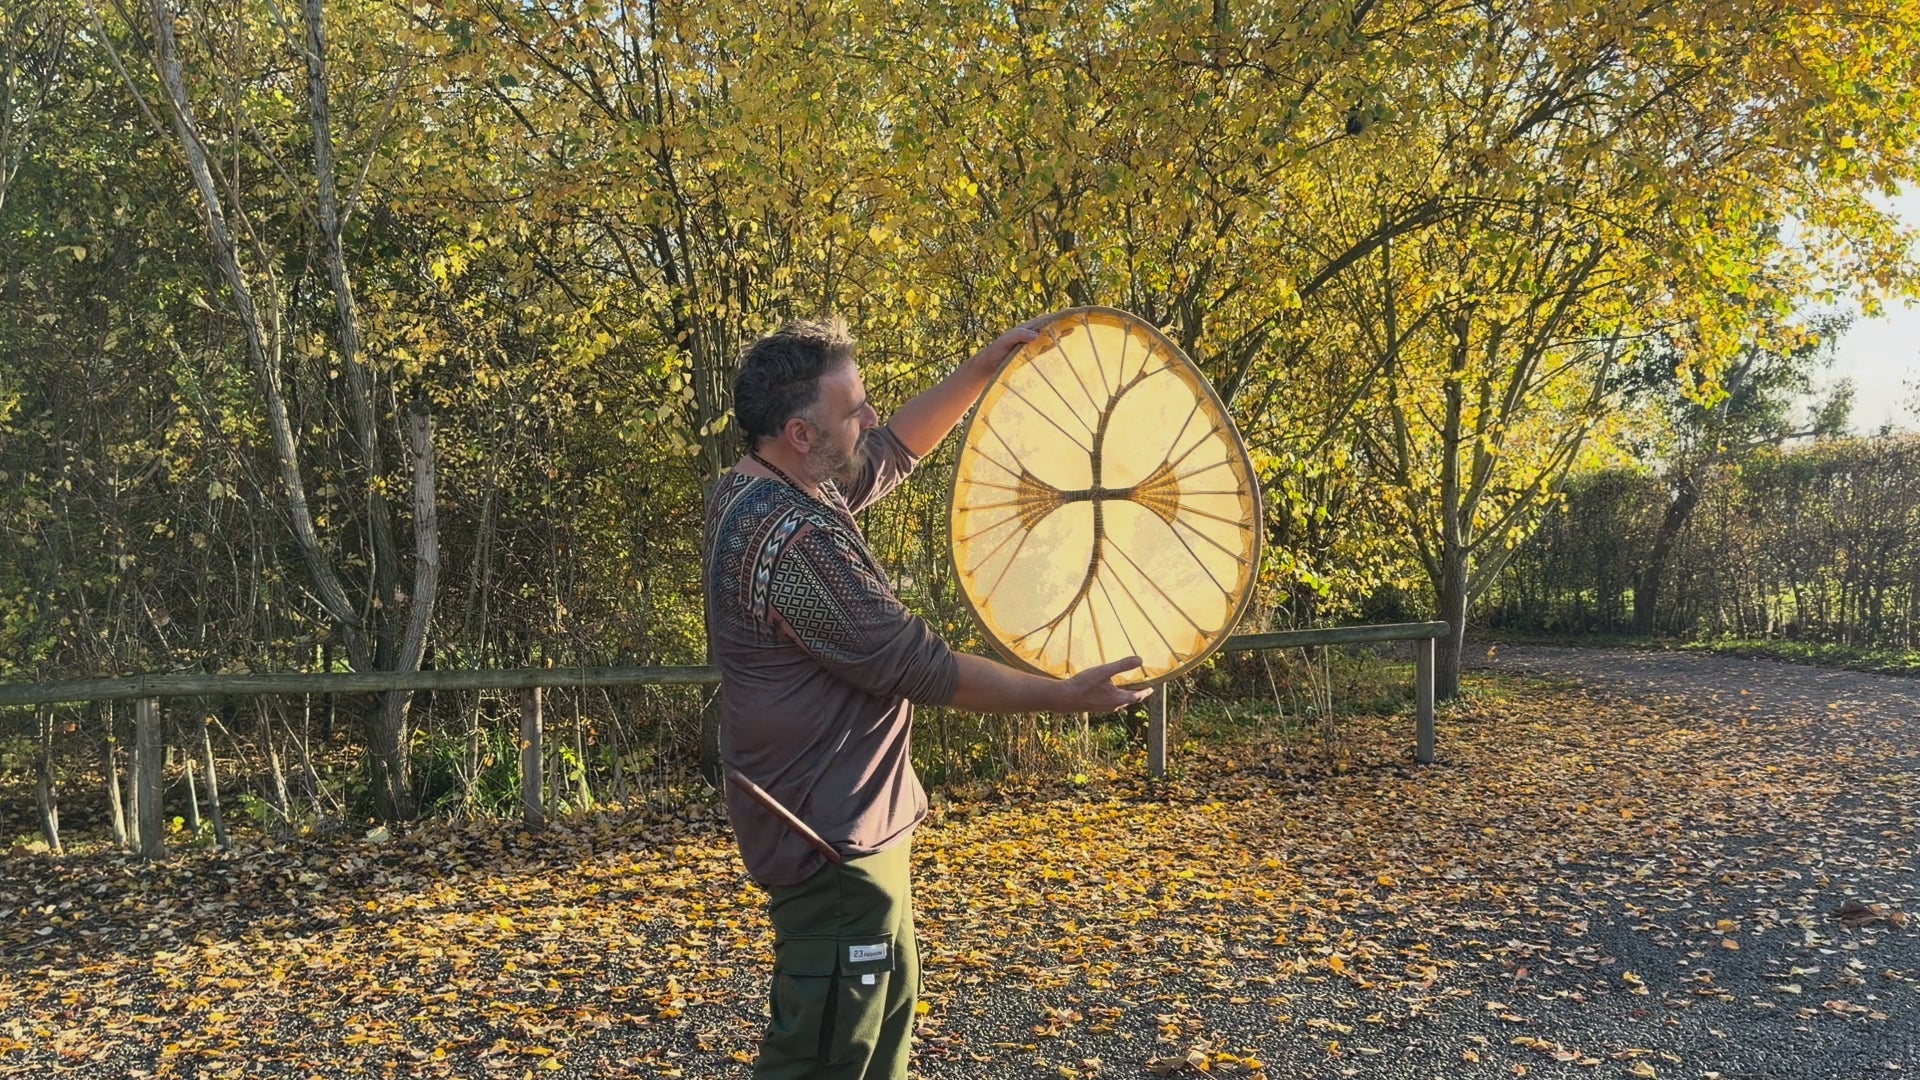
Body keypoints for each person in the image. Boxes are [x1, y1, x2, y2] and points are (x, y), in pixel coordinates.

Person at [702, 315, 1148, 1080]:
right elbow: (924, 667)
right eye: (853, 410)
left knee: (879, 1031)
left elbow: (892, 450)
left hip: (853, 826)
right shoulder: (797, 546)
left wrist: (984, 364)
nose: (869, 417)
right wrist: (1062, 695)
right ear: (801, 432)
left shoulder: (775, 487)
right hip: (826, 837)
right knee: (829, 1052)